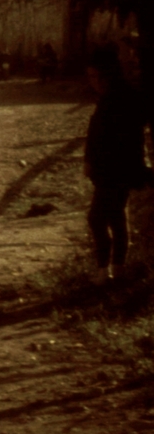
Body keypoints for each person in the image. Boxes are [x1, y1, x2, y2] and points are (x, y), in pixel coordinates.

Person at [84, 45, 151, 280]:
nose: (95, 82)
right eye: (91, 77)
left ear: (110, 74)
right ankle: (116, 270)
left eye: (99, 76)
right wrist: (90, 160)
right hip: (109, 169)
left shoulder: (122, 98)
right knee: (115, 216)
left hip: (116, 168)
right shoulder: (110, 97)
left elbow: (124, 139)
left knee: (97, 218)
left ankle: (105, 270)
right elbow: (96, 135)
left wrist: (97, 162)